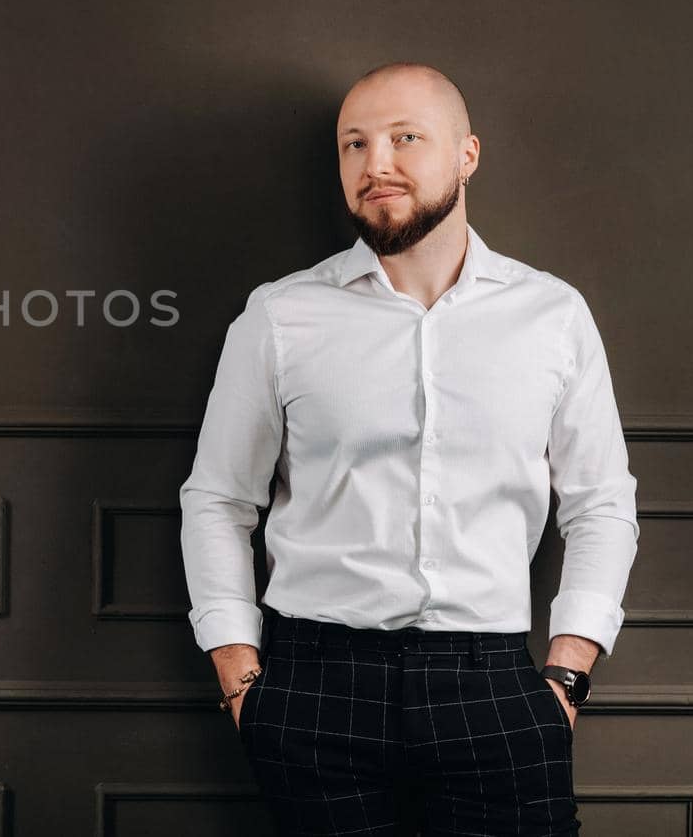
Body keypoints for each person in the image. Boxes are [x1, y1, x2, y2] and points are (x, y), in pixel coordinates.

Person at [179, 63, 638, 835]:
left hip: (493, 686)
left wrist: (566, 676)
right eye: (353, 144)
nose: (374, 163)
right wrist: (241, 680)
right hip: (315, 688)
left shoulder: (552, 315)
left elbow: (601, 504)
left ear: (467, 155)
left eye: (404, 138)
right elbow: (218, 500)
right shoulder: (282, 314)